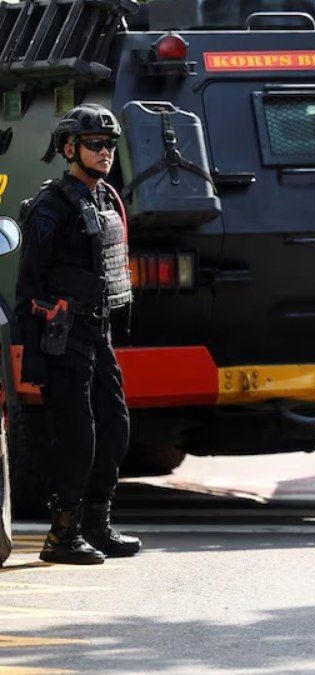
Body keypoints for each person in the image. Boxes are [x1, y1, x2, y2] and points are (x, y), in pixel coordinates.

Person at [16, 104, 140, 565]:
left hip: (97, 330)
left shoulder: (106, 197)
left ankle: (96, 525)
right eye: (94, 143)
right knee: (76, 433)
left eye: (109, 144)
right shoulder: (50, 207)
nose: (105, 151)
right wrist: (33, 357)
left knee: (114, 425)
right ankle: (61, 536)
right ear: (69, 148)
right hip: (62, 335)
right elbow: (28, 286)